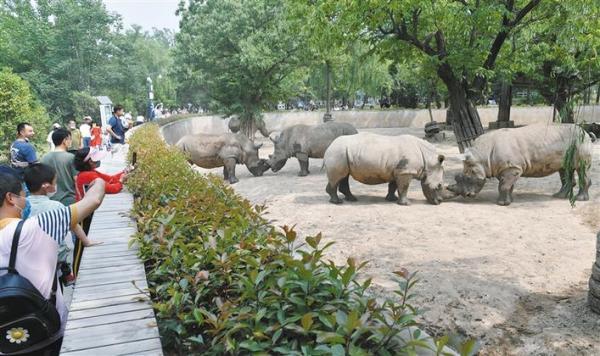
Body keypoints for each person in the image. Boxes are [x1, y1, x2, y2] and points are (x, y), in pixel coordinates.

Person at [0, 172, 105, 354]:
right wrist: (100, 180)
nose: (26, 200)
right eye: (23, 195)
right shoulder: (38, 226)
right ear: (10, 198)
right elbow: (94, 199)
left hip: (6, 338)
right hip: (47, 331)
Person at [24, 164, 101, 286]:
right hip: (53, 262)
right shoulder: (56, 207)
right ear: (46, 186)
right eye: (55, 182)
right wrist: (86, 241)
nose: (56, 185)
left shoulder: (22, 206)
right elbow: (73, 224)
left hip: (28, 261)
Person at [41, 129, 78, 206]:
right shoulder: (71, 157)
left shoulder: (44, 158)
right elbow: (76, 179)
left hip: (50, 200)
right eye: (70, 139)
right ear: (64, 140)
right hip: (69, 199)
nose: (71, 141)